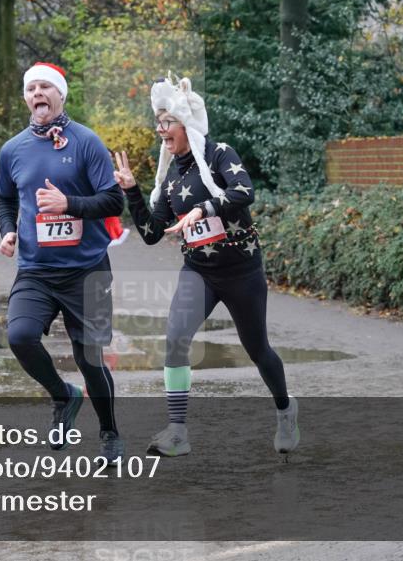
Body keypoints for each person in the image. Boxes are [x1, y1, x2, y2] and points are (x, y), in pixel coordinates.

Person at [114, 74, 299, 457]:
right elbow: (151, 233)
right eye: (158, 122)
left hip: (242, 271)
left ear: (187, 123)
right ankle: (177, 431)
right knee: (175, 339)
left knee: (257, 348)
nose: (160, 129)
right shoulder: (171, 177)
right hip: (199, 271)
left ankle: (285, 409)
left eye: (167, 121)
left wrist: (203, 208)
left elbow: (244, 191)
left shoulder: (219, 154)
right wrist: (132, 191)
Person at [0, 62, 125, 460]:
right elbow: (4, 199)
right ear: (25, 98)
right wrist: (8, 230)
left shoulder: (86, 142)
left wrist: (68, 204)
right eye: (31, 88)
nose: (38, 93)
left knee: (90, 359)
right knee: (20, 337)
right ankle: (63, 396)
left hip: (86, 269)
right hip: (36, 270)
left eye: (45, 87)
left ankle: (109, 433)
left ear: (60, 94)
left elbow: (113, 200)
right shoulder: (12, 150)